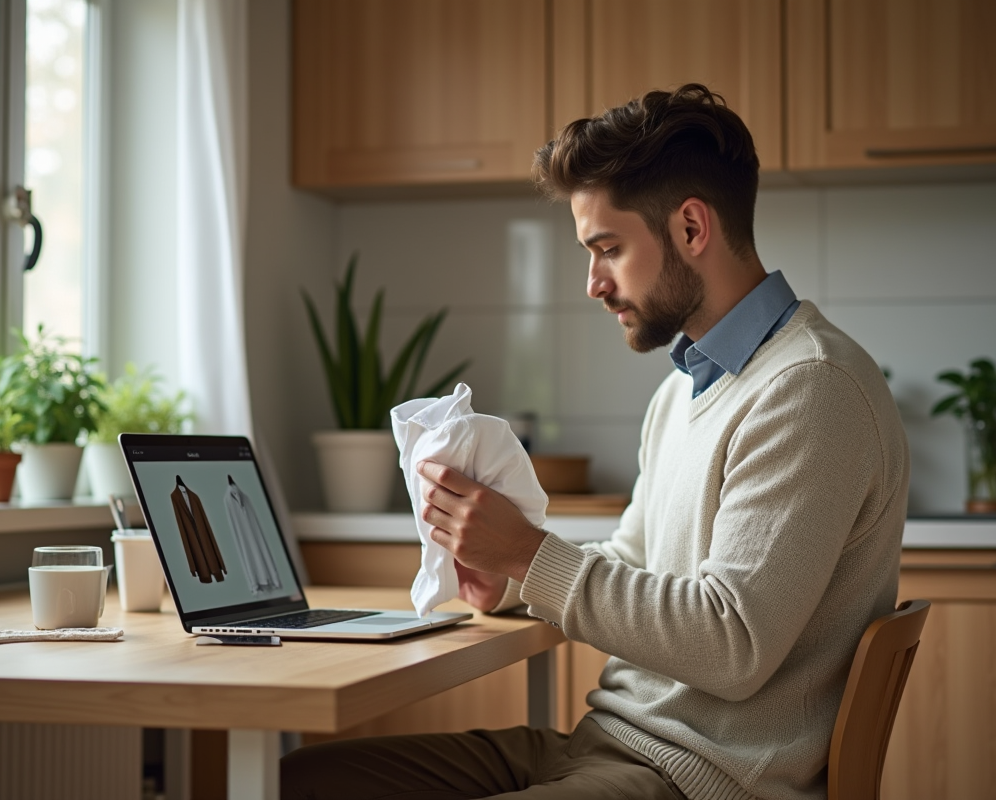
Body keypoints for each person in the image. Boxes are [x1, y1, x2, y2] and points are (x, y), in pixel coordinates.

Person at [281, 83, 909, 800]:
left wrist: (526, 549)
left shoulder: (810, 388)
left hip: (699, 779)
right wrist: (510, 577)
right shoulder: (685, 388)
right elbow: (637, 563)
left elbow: (730, 642)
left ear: (692, 229)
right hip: (607, 744)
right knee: (299, 781)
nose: (592, 283)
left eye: (608, 248)